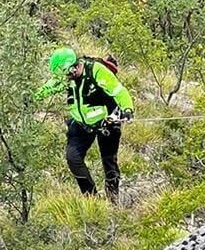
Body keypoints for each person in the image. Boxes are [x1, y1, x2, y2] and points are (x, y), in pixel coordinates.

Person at [36, 46, 134, 201]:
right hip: (81, 124)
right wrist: (32, 96)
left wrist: (127, 109)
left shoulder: (96, 70)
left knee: (109, 161)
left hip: (106, 122)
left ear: (74, 67)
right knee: (72, 158)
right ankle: (92, 198)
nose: (66, 78)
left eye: (67, 74)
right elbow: (48, 88)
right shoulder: (66, 78)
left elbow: (118, 91)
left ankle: (113, 198)